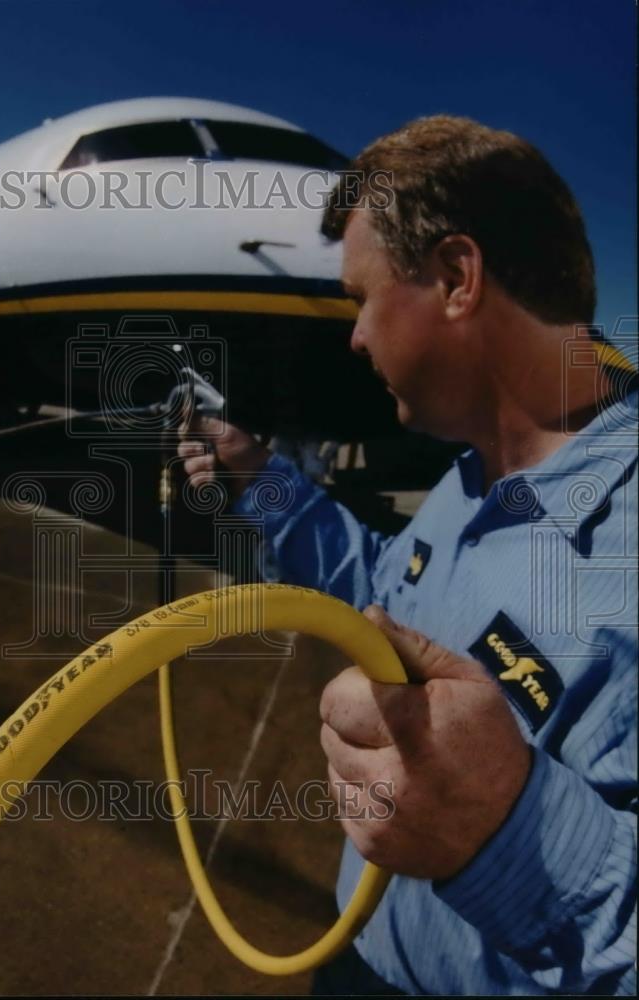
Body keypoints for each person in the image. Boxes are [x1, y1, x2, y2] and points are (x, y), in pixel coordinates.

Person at [178, 115, 636, 995]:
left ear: (457, 278)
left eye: (360, 298)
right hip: (359, 959)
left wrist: (503, 833)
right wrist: (257, 476)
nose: (353, 336)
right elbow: (384, 591)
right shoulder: (470, 476)